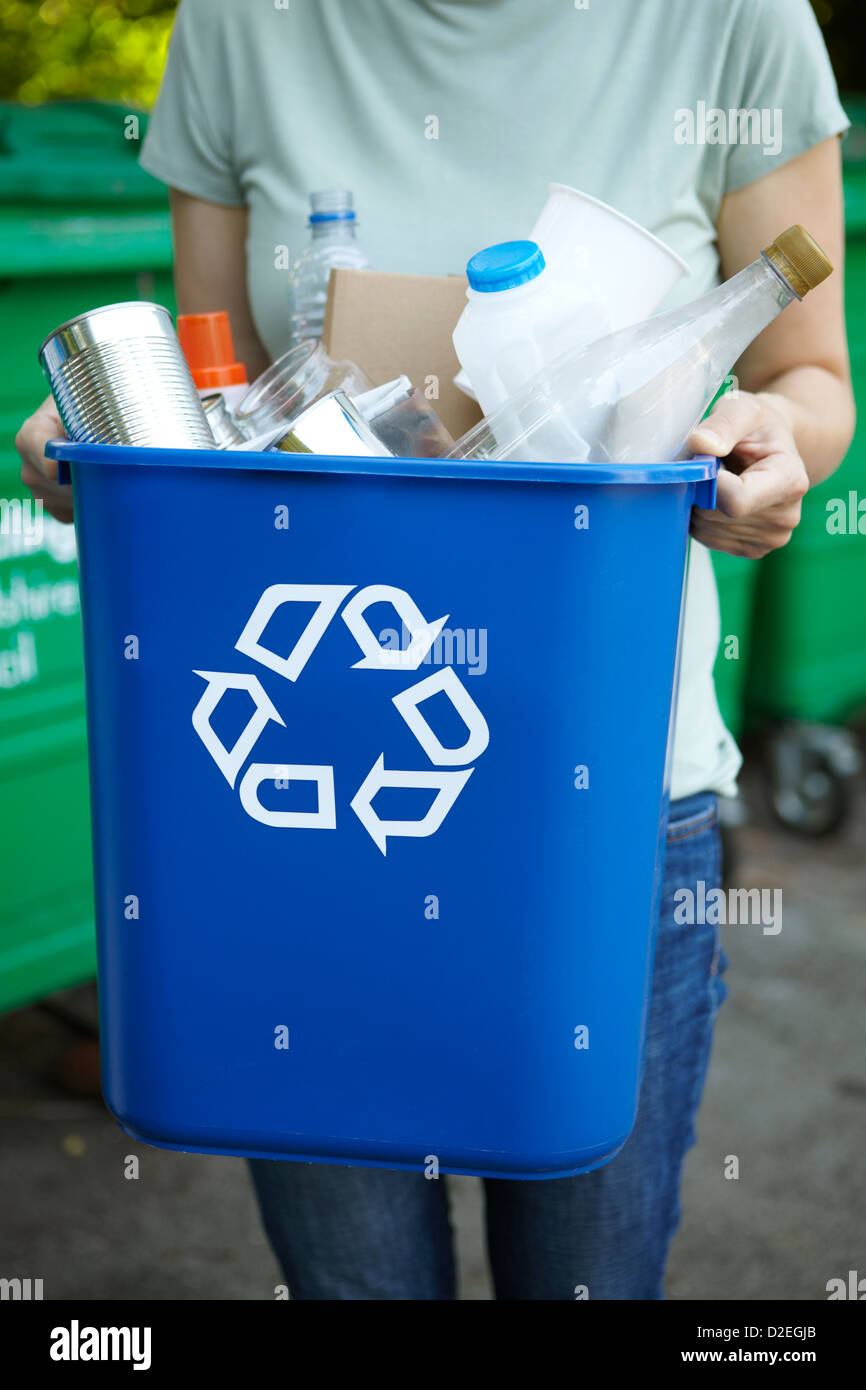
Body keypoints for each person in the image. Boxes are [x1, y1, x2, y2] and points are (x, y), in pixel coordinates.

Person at [17, 0, 854, 1300]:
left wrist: (773, 448)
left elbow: (811, 375)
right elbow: (212, 388)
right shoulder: (241, 25)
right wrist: (104, 457)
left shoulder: (729, 19)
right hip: (295, 832)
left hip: (604, 807)